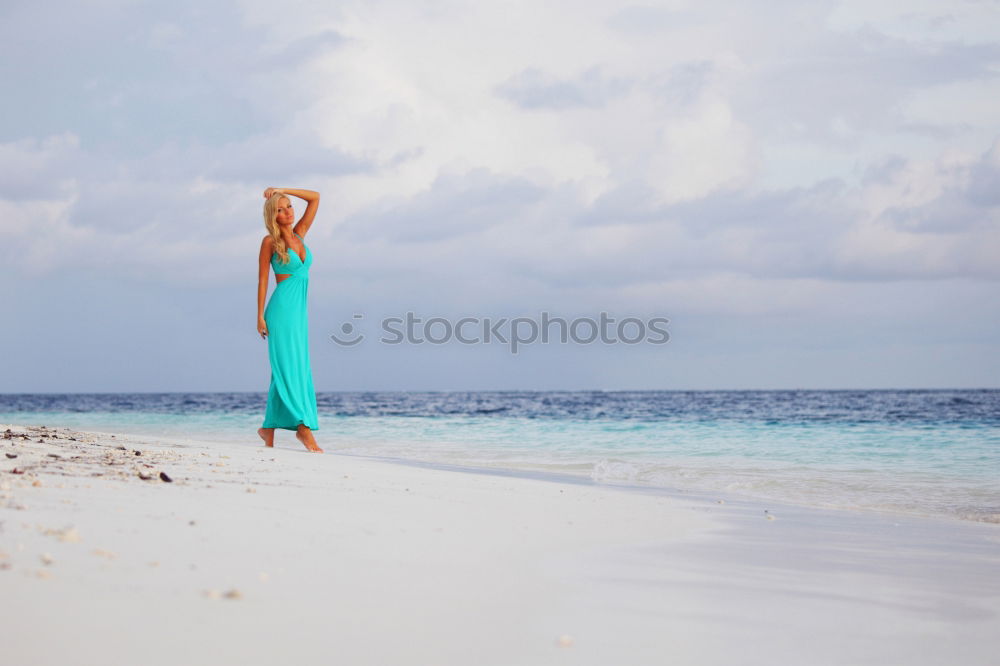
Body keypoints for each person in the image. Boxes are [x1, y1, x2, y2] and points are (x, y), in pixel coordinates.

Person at [256, 187, 323, 453]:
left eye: (289, 206)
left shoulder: (300, 235)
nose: (287, 212)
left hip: (299, 313)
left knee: (291, 367)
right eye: (281, 209)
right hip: (281, 310)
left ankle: (268, 428)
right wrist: (260, 315)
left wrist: (283, 190)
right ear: (273, 216)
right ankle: (303, 429)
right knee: (288, 366)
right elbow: (262, 279)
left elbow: (315, 197)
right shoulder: (269, 242)